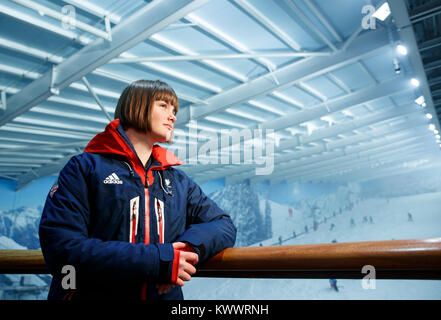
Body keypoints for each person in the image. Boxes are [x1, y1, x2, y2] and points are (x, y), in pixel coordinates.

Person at [39, 80, 237, 300]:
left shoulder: (177, 180)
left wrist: (187, 250)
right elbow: (62, 248)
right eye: (163, 106)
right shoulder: (84, 168)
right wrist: (159, 262)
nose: (172, 116)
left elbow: (224, 225)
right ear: (136, 106)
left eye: (174, 110)